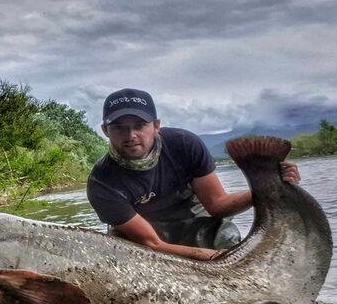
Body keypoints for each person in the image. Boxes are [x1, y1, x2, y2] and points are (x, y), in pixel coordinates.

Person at [87, 88, 301, 261]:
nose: (131, 135)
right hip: (144, 236)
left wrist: (267, 189)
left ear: (156, 126)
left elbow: (218, 205)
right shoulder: (101, 182)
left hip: (193, 217)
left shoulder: (184, 144)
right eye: (119, 128)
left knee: (227, 236)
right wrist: (212, 258)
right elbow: (151, 244)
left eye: (140, 125)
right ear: (106, 130)